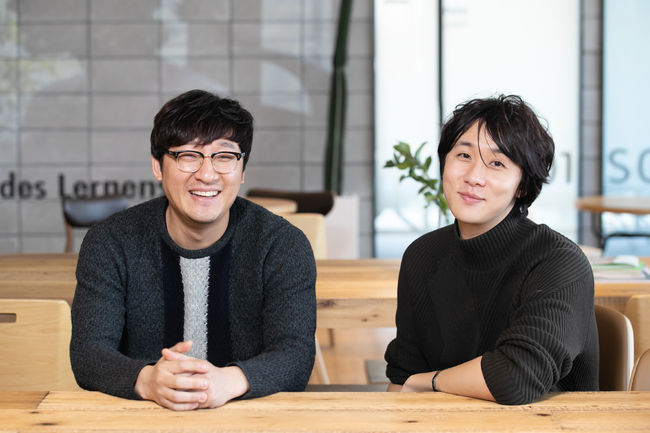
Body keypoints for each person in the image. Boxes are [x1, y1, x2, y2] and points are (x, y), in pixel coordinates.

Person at [70, 89, 317, 411]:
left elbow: (296, 355)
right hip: (141, 420)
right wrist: (147, 380)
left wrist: (227, 382)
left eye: (224, 157)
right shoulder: (111, 242)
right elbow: (89, 353)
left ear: (242, 170)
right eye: (188, 156)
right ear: (158, 167)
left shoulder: (281, 245)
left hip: (252, 420)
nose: (207, 174)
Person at [384, 95, 598, 405]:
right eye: (463, 155)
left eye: (497, 163)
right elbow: (402, 378)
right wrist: (409, 390)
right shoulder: (422, 256)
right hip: (445, 424)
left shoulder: (559, 262)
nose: (473, 177)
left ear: (522, 185)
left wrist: (428, 382)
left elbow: (516, 378)